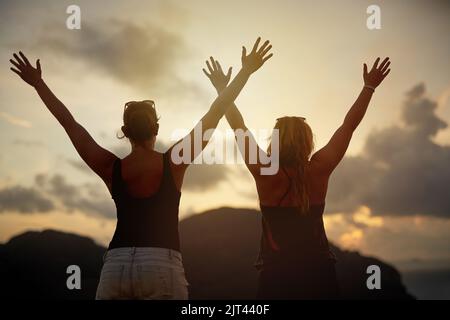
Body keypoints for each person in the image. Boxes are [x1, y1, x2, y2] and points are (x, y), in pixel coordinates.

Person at [9, 38, 273, 300]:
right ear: (156, 129)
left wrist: (38, 84)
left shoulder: (109, 166)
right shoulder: (175, 161)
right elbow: (216, 112)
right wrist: (245, 72)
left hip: (115, 266)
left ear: (125, 132)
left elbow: (69, 123)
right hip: (161, 264)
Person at [203, 56, 391, 299]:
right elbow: (348, 126)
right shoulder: (319, 169)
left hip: (277, 278)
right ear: (307, 141)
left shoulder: (265, 171)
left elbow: (238, 125)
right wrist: (369, 87)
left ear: (275, 141)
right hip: (319, 275)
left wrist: (222, 88)